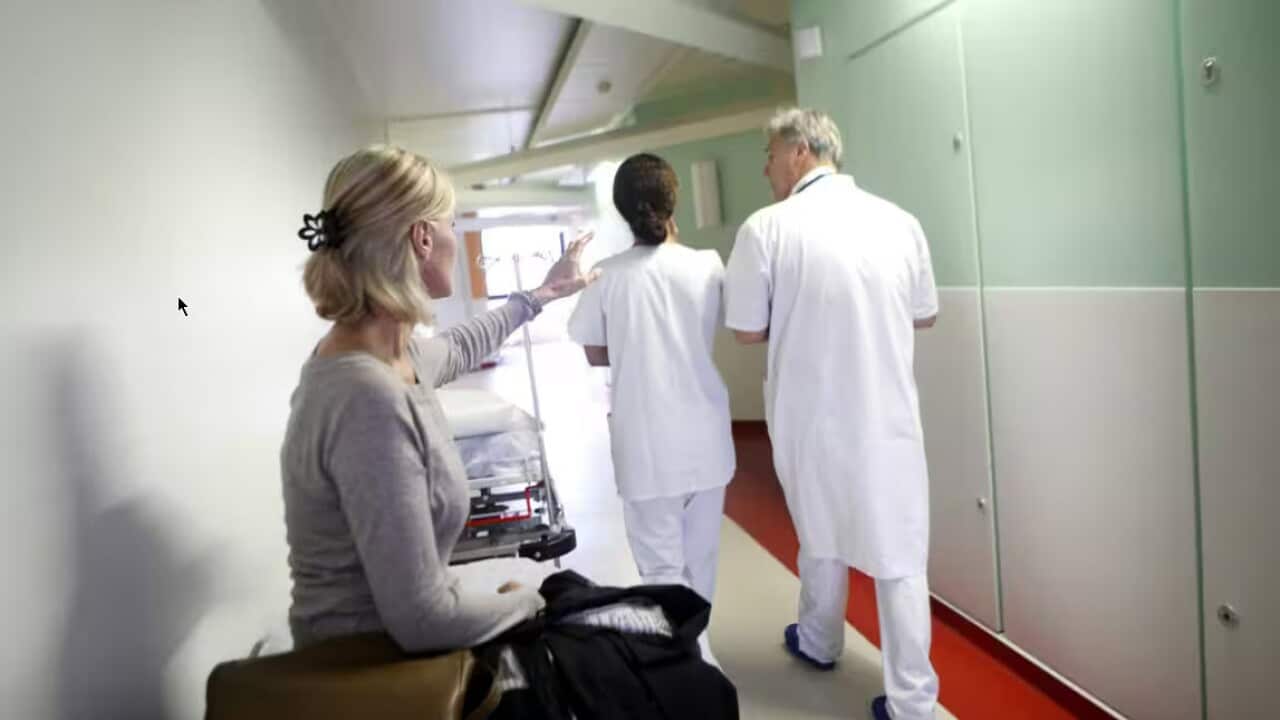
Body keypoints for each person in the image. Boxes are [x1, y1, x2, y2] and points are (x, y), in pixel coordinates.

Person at [281, 145, 598, 653]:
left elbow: (455, 347)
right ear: (423, 237)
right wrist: (536, 602)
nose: (456, 236)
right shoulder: (367, 397)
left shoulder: (387, 355)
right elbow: (424, 620)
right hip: (372, 674)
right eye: (450, 223)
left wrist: (541, 295)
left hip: (389, 651)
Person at [724, 108, 940, 720]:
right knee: (900, 558)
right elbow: (924, 313)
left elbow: (745, 331)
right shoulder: (899, 222)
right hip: (886, 418)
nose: (766, 167)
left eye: (768, 154)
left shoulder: (766, 228)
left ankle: (819, 642)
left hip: (809, 417)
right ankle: (912, 703)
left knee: (818, 534)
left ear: (798, 151)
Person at [566, 153, 736, 664]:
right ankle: (701, 664)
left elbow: (595, 351)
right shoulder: (707, 265)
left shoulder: (606, 275)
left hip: (645, 445)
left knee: (662, 574)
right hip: (706, 441)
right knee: (700, 567)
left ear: (622, 212)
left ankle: (688, 675)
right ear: (673, 200)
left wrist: (636, 339)